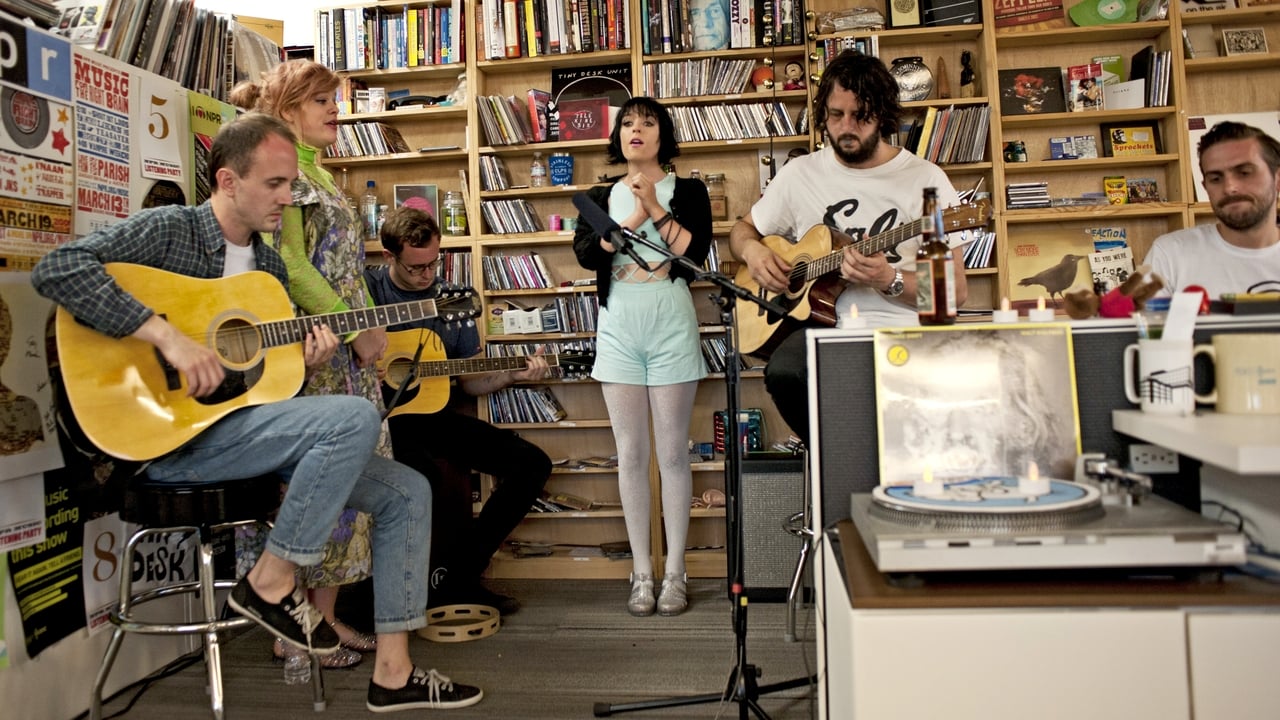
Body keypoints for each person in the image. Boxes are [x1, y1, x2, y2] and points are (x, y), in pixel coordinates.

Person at [31, 113, 481, 710]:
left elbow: (261, 389)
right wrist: (166, 338)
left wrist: (306, 352)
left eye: (291, 183)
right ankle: (269, 583)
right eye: (273, 184)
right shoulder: (173, 233)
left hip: (234, 437)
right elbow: (57, 268)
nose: (287, 197)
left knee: (406, 491)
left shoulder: (269, 270)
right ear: (226, 180)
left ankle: (393, 676)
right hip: (166, 444)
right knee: (352, 416)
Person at [229, 59, 386, 670]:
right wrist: (356, 327)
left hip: (344, 351)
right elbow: (290, 267)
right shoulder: (284, 177)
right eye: (323, 100)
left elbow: (351, 269)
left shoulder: (320, 174)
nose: (336, 111)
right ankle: (295, 623)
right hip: (309, 353)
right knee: (312, 489)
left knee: (348, 493)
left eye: (337, 100)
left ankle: (325, 617)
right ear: (289, 108)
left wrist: (374, 325)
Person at [728, 51, 967, 447]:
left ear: (884, 115)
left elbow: (954, 292)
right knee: (785, 370)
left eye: (860, 115)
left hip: (900, 333)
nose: (846, 127)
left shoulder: (925, 180)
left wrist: (887, 279)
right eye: (836, 115)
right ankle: (833, 458)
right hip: (822, 329)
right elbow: (742, 231)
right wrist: (753, 252)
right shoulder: (800, 174)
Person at [364, 206, 552, 615]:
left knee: (531, 464)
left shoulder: (453, 299)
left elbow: (470, 380)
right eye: (415, 268)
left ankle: (460, 576)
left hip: (434, 417)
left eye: (433, 263)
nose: (426, 275)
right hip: (376, 422)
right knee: (420, 477)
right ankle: (392, 593)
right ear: (389, 256)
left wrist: (510, 376)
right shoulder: (367, 290)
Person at [572, 97, 712, 616]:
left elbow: (692, 257)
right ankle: (641, 574)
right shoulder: (596, 195)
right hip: (618, 330)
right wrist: (628, 214)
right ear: (619, 137)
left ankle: (676, 572)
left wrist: (654, 204)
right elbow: (588, 254)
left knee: (673, 453)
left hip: (672, 326)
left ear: (663, 135)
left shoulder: (690, 191)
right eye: (628, 123)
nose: (636, 130)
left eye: (647, 123)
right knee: (630, 454)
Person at [1147, 121, 1280, 299]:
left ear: (1277, 179)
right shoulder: (1170, 254)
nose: (1229, 187)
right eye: (1216, 178)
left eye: (1244, 172)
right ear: (1205, 187)